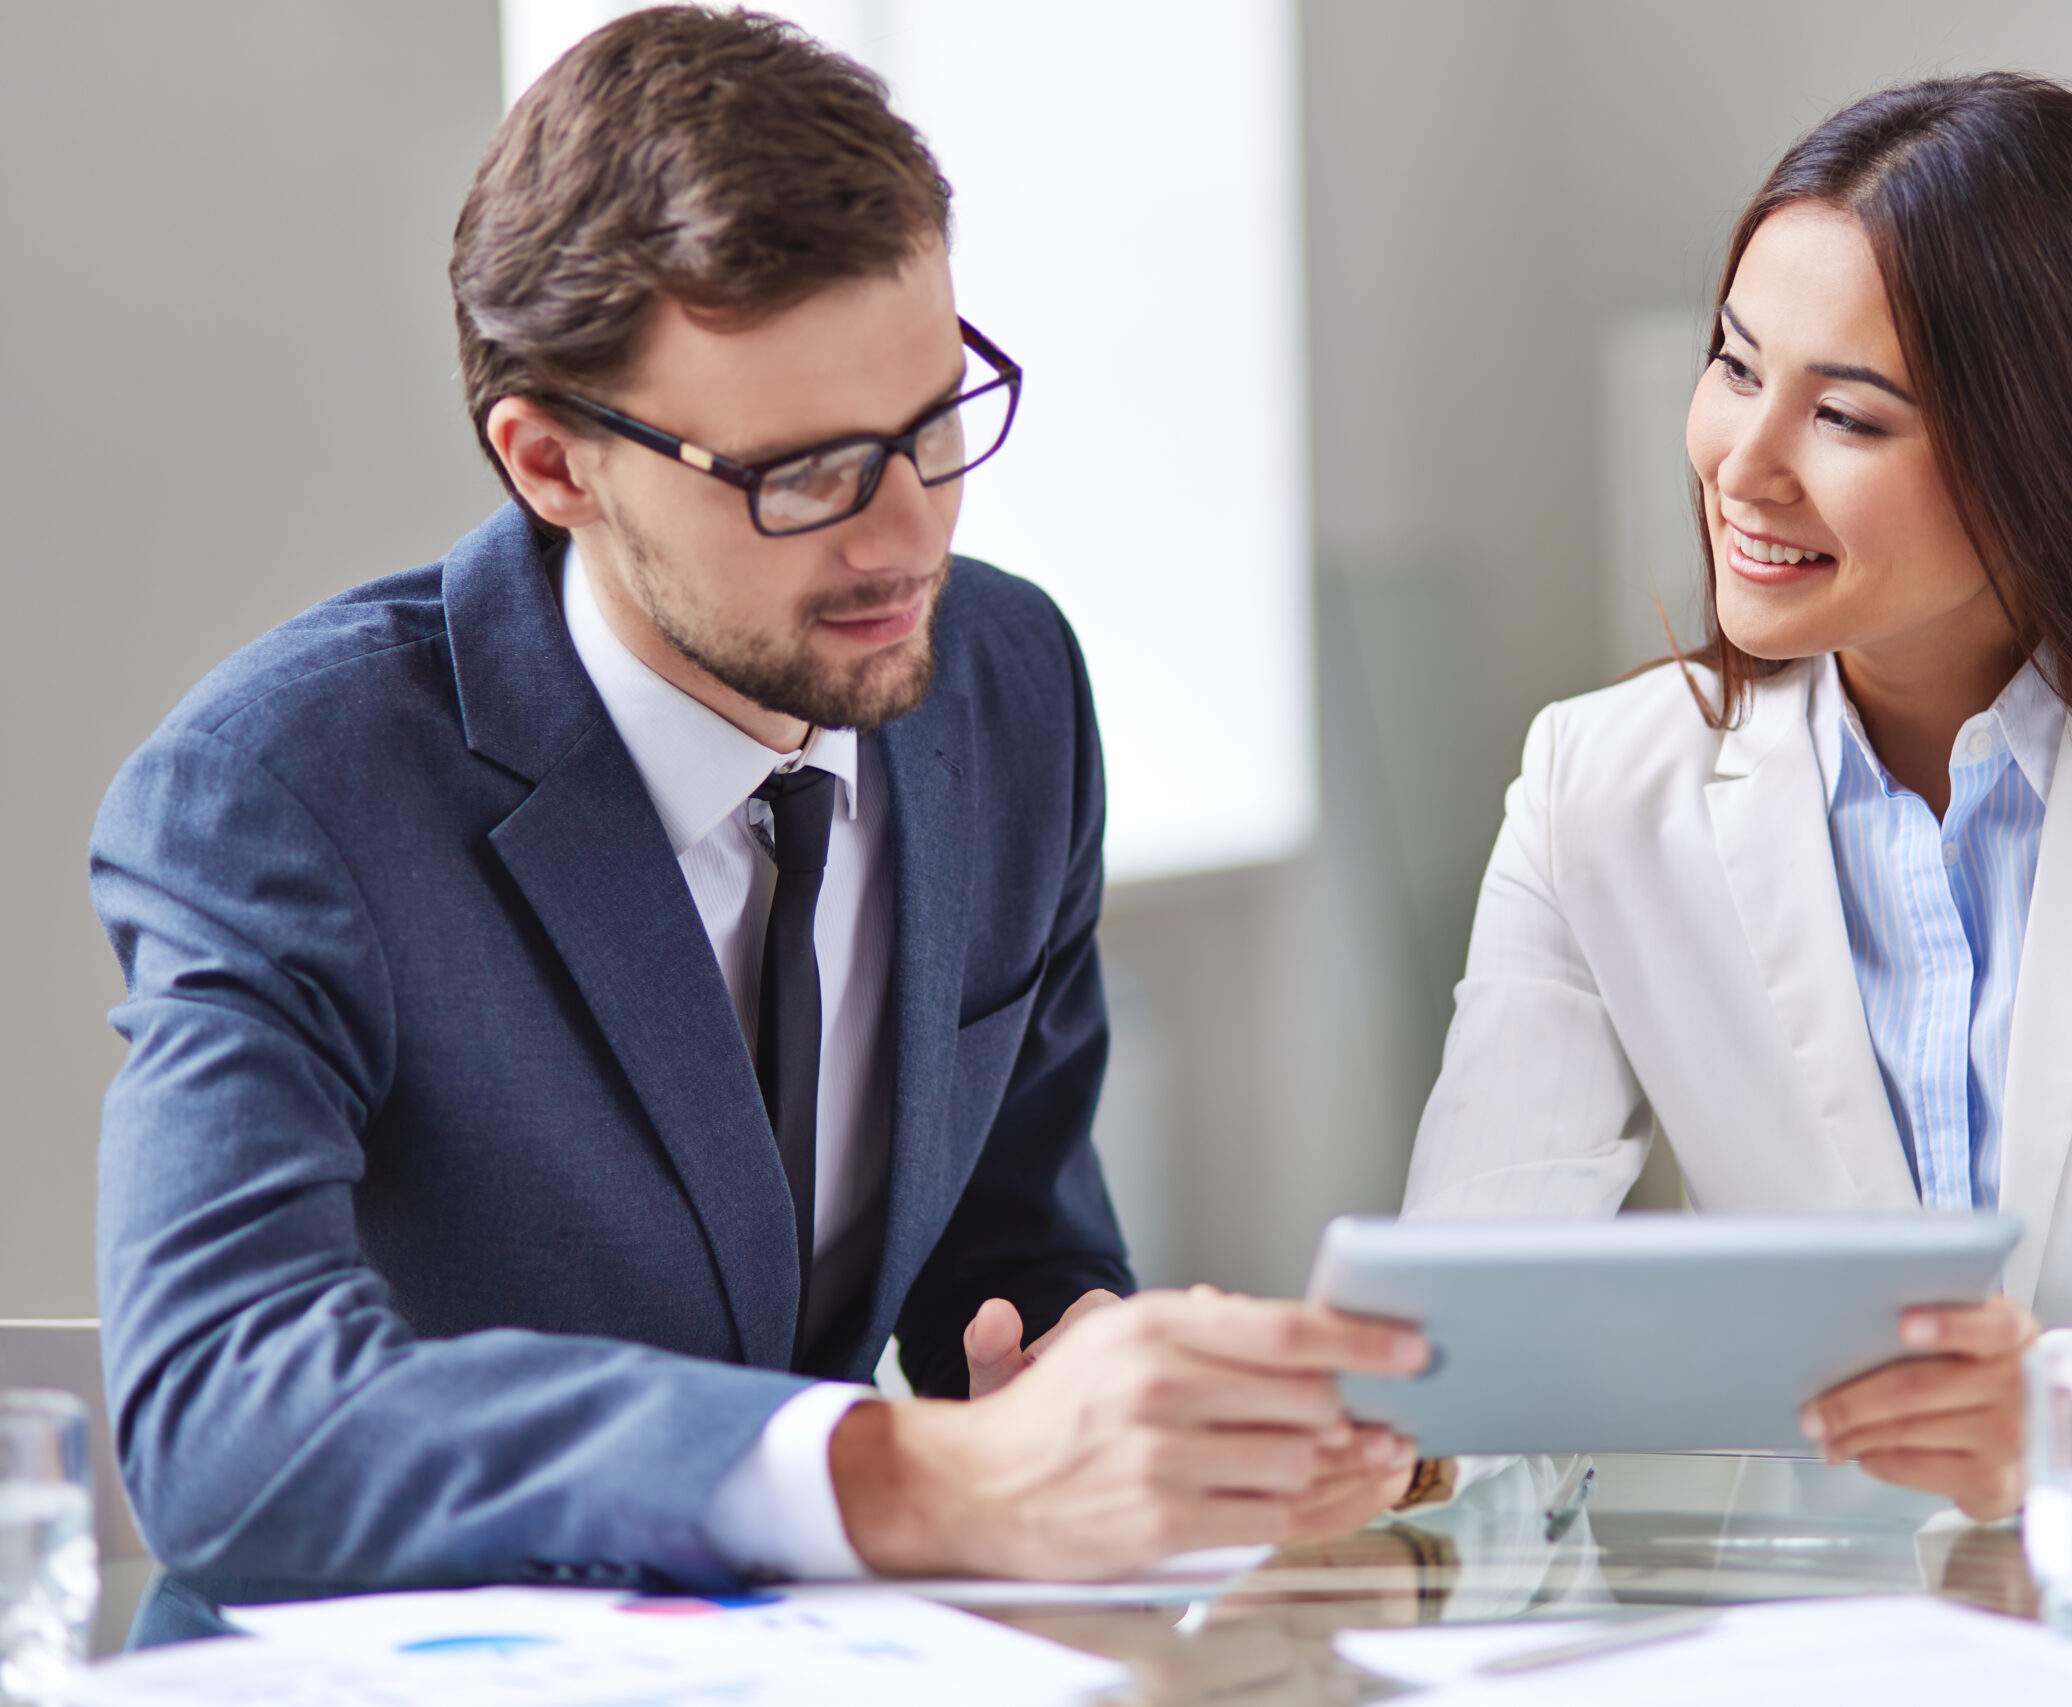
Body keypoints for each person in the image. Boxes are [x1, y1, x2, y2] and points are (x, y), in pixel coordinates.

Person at [89, 6, 1420, 1624]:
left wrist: (1156, 1410)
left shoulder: (1007, 687)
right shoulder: (283, 790)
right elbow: (220, 1417)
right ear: (553, 464)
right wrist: (893, 1472)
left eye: (936, 424)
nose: (903, 537)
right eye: (802, 475)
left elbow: (1011, 1258)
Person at [1401, 72, 2072, 1518]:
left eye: (1847, 419)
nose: (1741, 464)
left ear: (2050, 457)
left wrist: (2064, 1417)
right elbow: (1466, 1328)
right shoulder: (1593, 787)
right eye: (1735, 368)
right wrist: (1390, 1433)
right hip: (1824, 1643)